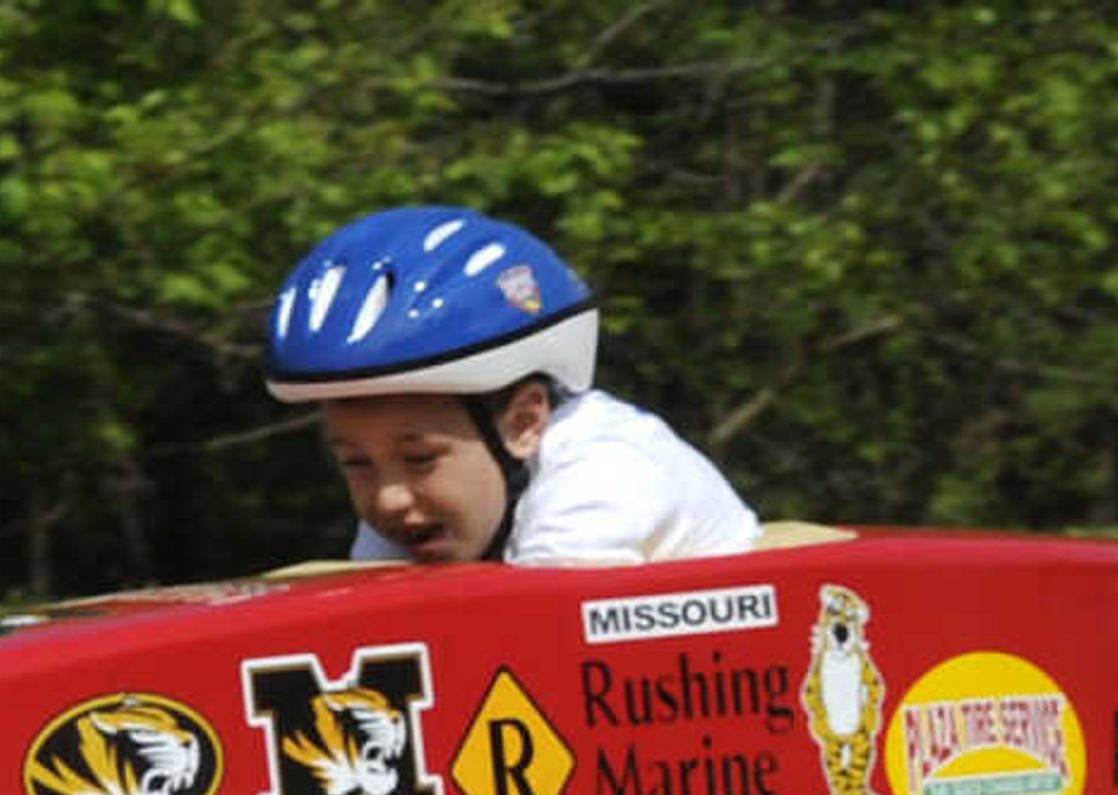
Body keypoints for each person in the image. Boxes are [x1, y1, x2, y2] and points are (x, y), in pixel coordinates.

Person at [263, 204, 761, 568]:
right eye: (356, 463)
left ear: (524, 423)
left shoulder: (602, 477)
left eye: (420, 459)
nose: (389, 499)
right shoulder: (420, 514)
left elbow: (539, 637)